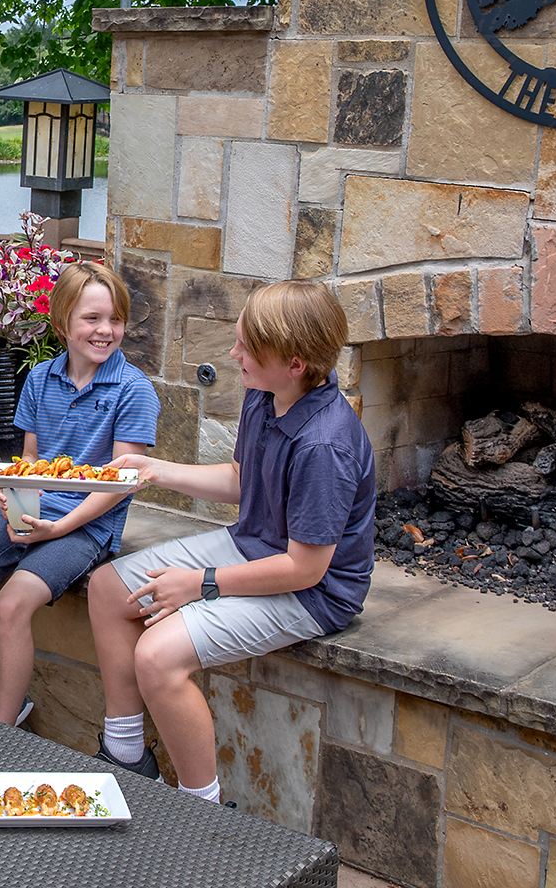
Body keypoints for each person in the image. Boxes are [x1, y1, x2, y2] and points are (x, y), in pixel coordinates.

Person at [86, 279, 375, 805]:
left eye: (246, 347)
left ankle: (202, 809)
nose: (233, 354)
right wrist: (155, 469)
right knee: (108, 588)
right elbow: (243, 481)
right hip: (254, 545)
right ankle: (127, 755)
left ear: (294, 363)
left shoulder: (324, 446)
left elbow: (305, 569)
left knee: (157, 657)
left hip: (313, 593)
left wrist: (200, 584)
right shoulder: (265, 393)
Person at [0, 262, 159, 733]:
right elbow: (31, 460)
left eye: (115, 319)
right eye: (92, 318)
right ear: (62, 322)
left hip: (86, 525)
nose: (106, 330)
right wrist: (13, 500)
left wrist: (59, 527)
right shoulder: (39, 380)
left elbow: (120, 483)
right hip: (35, 508)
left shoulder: (134, 391)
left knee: (11, 605)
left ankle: (0, 732)